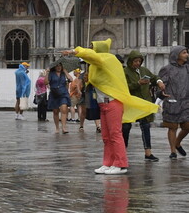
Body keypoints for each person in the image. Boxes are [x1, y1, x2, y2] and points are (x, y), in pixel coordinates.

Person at [62, 39, 159, 175]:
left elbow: (91, 55)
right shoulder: (97, 64)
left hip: (113, 103)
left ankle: (120, 164)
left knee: (115, 134)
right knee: (106, 136)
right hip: (104, 104)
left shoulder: (107, 59)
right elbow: (100, 80)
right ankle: (108, 163)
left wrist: (75, 51)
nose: (91, 49)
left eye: (93, 47)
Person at [122, 50, 161, 161]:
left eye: (139, 61)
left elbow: (154, 77)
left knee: (145, 126)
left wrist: (159, 81)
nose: (137, 63)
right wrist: (138, 83)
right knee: (126, 127)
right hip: (131, 103)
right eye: (135, 61)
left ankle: (148, 152)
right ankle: (123, 151)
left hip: (143, 103)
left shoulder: (144, 70)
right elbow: (124, 87)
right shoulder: (125, 72)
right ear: (130, 61)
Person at [157, 46, 189, 159]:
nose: (187, 55)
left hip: (185, 102)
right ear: (177, 55)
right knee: (172, 127)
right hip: (172, 101)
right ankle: (173, 151)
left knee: (187, 126)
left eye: (186, 52)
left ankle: (177, 142)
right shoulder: (167, 69)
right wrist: (161, 92)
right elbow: (161, 83)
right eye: (184, 53)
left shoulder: (187, 68)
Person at [47, 60, 72, 134]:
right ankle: (57, 127)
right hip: (54, 94)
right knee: (55, 111)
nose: (59, 67)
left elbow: (71, 79)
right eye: (57, 66)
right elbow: (46, 82)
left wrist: (65, 71)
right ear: (54, 67)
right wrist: (47, 73)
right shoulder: (51, 74)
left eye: (60, 66)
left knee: (64, 109)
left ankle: (64, 127)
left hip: (63, 94)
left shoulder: (63, 74)